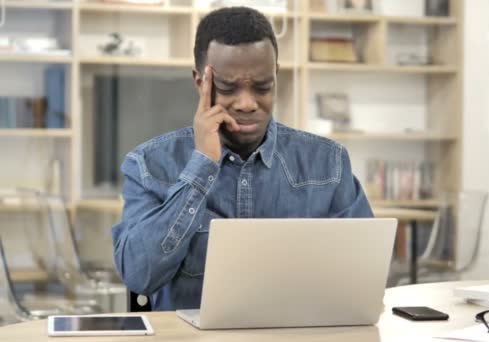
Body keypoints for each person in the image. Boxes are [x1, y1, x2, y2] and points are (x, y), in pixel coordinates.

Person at [112, 6, 373, 311]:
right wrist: (200, 168)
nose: (247, 103)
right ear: (200, 83)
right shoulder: (149, 165)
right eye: (226, 87)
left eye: (262, 87)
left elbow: (364, 277)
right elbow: (138, 276)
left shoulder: (329, 163)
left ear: (276, 78)